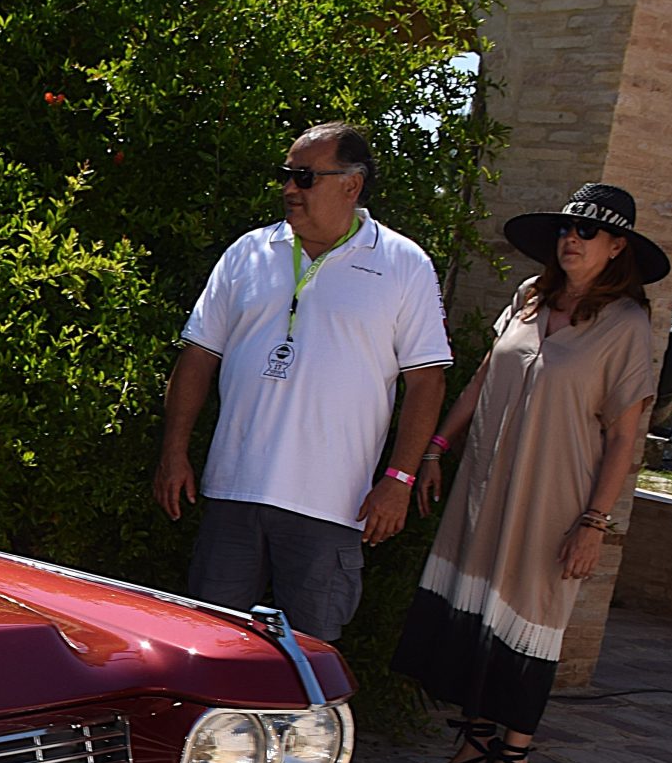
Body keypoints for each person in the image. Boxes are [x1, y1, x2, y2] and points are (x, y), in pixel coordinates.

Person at [393, 183, 667, 763]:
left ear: (617, 247)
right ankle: (475, 745)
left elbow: (626, 434)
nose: (571, 240)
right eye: (566, 230)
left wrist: (595, 521)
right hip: (485, 488)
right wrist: (435, 447)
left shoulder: (625, 325)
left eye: (587, 233)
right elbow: (485, 377)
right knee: (476, 609)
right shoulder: (528, 299)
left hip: (554, 499)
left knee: (528, 622)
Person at [156, 121, 452, 641]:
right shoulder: (249, 251)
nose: (290, 189)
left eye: (304, 177)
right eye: (286, 176)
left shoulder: (404, 264)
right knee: (210, 647)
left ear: (351, 185)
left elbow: (426, 381)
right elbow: (199, 354)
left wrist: (399, 480)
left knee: (310, 662)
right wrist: (174, 450)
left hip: (332, 506)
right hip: (234, 492)